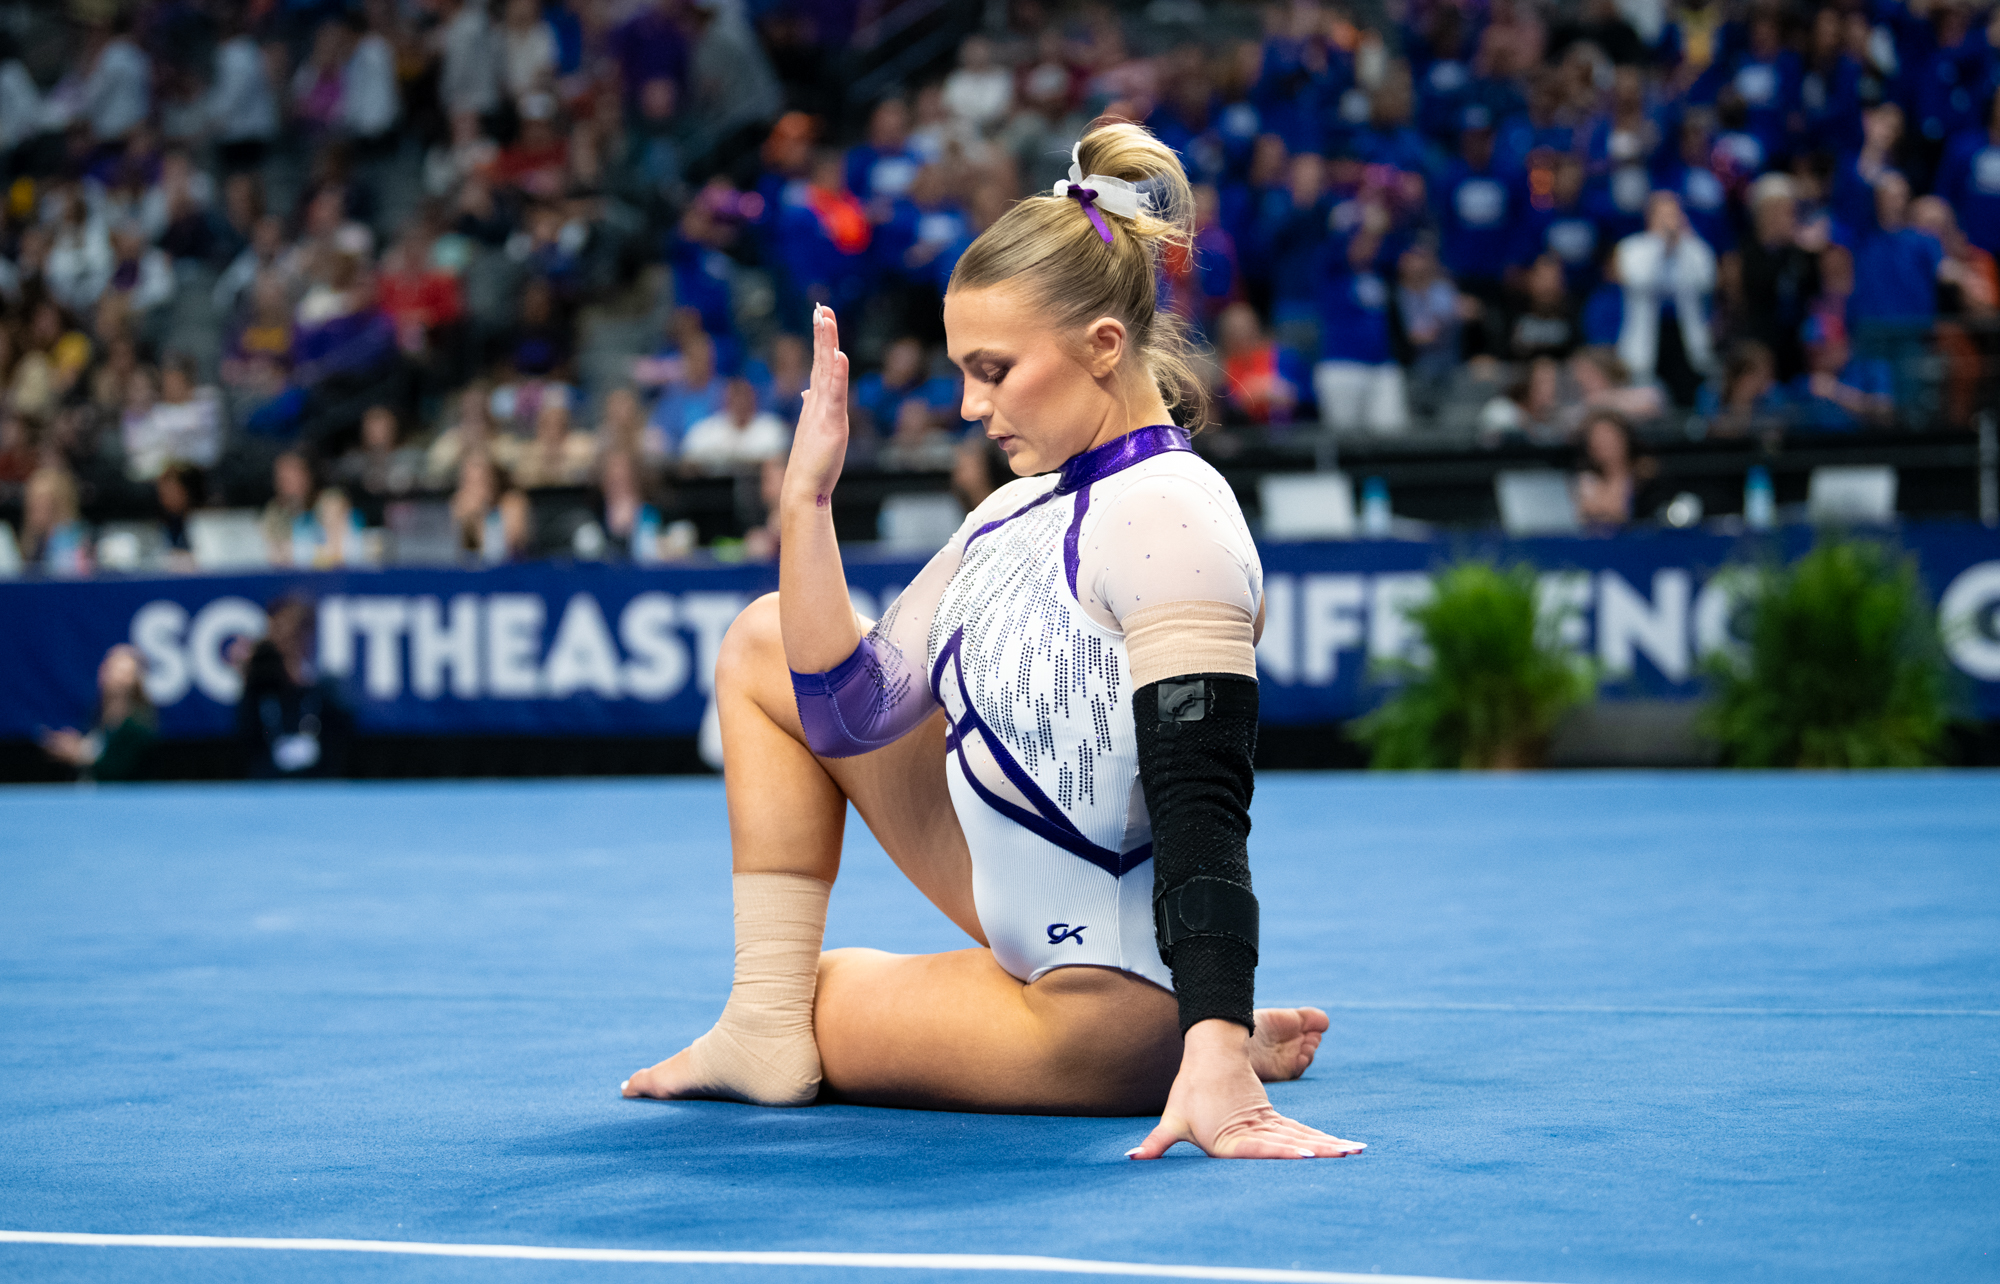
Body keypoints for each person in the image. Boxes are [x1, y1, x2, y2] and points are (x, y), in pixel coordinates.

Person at [621, 123, 1360, 1161]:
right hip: (1043, 952)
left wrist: (1211, 1054)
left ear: (1103, 347)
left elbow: (1202, 811)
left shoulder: (1170, 519)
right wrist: (806, 498)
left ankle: (1195, 1034)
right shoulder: (1010, 513)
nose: (968, 405)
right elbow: (845, 710)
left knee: (812, 990)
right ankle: (1197, 1025)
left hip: (1091, 1015)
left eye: (993, 369)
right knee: (761, 645)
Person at [237, 596, 353, 779]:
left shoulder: (324, 687)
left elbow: (345, 728)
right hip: (269, 786)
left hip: (320, 785)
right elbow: (246, 735)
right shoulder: (261, 690)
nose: (286, 637)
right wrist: (247, 678)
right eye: (279, 628)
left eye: (295, 630)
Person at [40, 644, 157, 782]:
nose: (116, 678)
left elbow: (118, 771)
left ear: (136, 681)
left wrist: (77, 754)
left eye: (124, 673)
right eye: (111, 670)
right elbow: (96, 748)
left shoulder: (137, 726)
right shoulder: (97, 713)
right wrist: (77, 745)